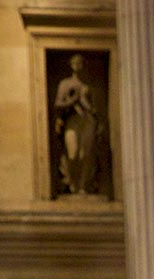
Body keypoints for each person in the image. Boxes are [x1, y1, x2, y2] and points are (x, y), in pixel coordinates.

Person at [53, 54, 104, 195]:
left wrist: (92, 113)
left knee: (85, 154)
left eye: (80, 63)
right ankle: (71, 184)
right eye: (75, 63)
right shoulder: (65, 83)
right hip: (72, 120)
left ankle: (83, 186)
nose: (77, 65)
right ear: (71, 65)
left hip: (87, 120)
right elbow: (58, 103)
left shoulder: (88, 85)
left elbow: (95, 107)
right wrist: (73, 100)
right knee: (72, 154)